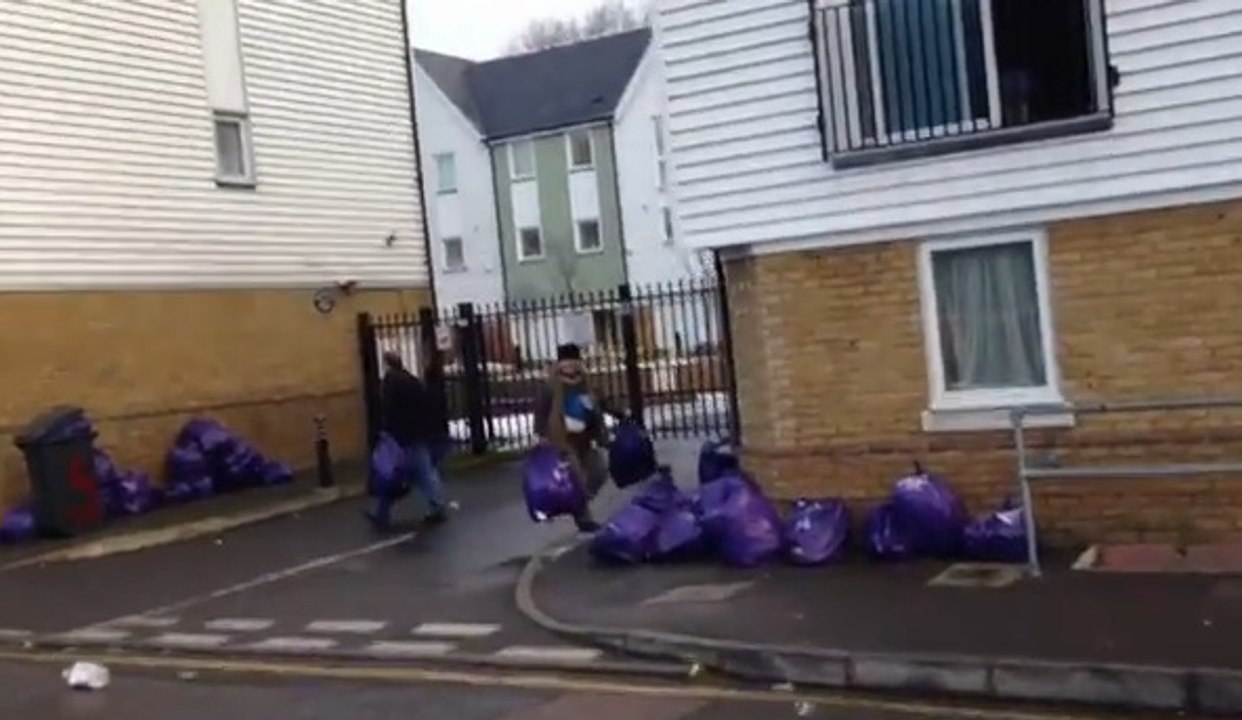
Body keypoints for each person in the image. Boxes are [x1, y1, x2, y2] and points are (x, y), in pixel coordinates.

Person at [368, 350, 448, 529]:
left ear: (387, 364)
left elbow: (389, 409)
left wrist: (386, 431)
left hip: (400, 437)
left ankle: (382, 515)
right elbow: (423, 405)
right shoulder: (412, 380)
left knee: (391, 474)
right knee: (424, 473)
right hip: (416, 434)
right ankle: (437, 506)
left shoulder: (391, 382)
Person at [534, 343, 608, 533]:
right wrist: (541, 434)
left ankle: (577, 501)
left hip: (584, 439)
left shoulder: (586, 384)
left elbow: (599, 406)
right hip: (562, 441)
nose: (570, 366)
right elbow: (541, 411)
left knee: (600, 469)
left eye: (573, 361)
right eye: (565, 362)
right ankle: (583, 517)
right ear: (559, 364)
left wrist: (605, 432)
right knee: (576, 476)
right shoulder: (551, 386)